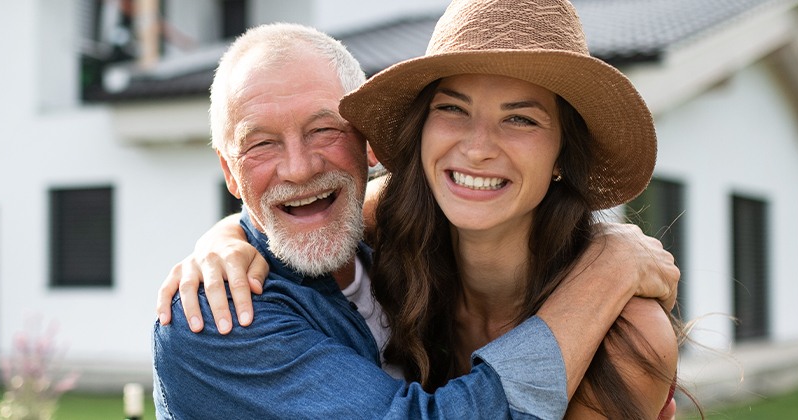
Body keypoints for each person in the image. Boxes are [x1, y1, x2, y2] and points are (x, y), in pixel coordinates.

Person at [159, 0, 684, 418]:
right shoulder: (222, 313)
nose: (297, 169)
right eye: (452, 109)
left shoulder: (626, 340)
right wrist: (225, 238)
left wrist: (612, 257)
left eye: (520, 119)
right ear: (229, 172)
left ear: (365, 145)